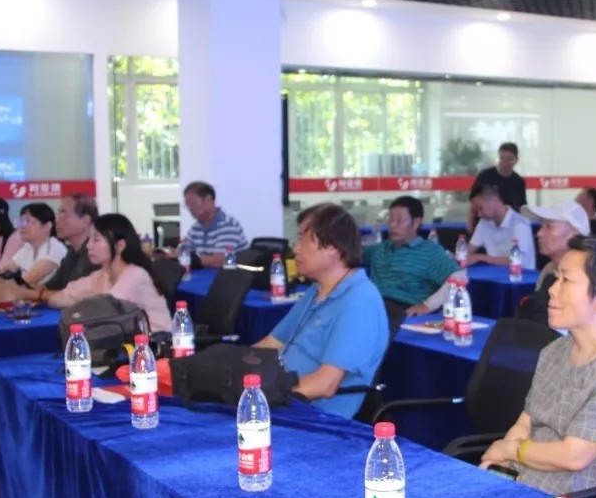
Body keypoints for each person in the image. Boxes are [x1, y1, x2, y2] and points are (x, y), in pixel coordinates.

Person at [480, 238, 596, 498]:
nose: (552, 289)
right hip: (523, 484)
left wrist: (509, 451)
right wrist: (500, 468)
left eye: (566, 280)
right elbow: (526, 420)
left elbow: (575, 456)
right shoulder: (557, 349)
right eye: (556, 278)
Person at [255, 203, 389, 419]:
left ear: (332, 247)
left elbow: (325, 384)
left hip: (312, 416)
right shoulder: (317, 290)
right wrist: (231, 371)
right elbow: (273, 343)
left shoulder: (359, 302)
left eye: (303, 240)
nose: (295, 249)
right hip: (281, 399)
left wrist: (263, 397)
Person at [39, 214, 172, 332]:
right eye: (89, 239)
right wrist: (89, 298)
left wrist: (84, 298)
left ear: (119, 246)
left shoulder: (135, 275)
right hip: (126, 342)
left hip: (155, 345)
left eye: (96, 240)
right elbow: (55, 299)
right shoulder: (103, 274)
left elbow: (104, 311)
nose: (88, 246)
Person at [363, 196, 462, 315]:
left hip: (403, 309)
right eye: (390, 219)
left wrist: (428, 305)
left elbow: (460, 276)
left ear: (416, 223)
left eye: (399, 220)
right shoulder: (379, 249)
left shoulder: (429, 251)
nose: (392, 225)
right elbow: (349, 253)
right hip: (372, 305)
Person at [516, 201, 591, 325]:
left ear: (574, 233)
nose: (539, 233)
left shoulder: (589, 273)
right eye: (541, 226)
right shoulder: (549, 269)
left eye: (549, 227)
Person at [468, 183, 536, 270]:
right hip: (495, 275)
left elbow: (518, 260)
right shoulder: (484, 223)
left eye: (480, 208)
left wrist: (481, 258)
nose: (479, 214)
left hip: (521, 276)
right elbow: (470, 249)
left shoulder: (520, 224)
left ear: (493, 200)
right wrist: (459, 256)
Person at [0, 203, 67, 287]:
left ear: (47, 226)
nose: (21, 226)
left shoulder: (54, 249)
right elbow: (3, 270)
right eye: (20, 221)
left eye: (27, 221)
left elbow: (26, 282)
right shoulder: (28, 247)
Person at [181, 180, 248, 266]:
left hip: (229, 273)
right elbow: (184, 250)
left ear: (208, 200)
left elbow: (220, 261)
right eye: (187, 204)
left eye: (192, 203)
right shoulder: (196, 227)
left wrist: (187, 259)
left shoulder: (228, 225)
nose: (190, 208)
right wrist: (171, 254)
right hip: (206, 272)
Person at [466, 142, 526, 233]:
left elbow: (521, 208)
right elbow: (473, 205)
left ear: (516, 160)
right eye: (502, 158)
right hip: (484, 227)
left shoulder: (518, 182)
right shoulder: (485, 176)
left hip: (508, 230)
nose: (505, 163)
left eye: (509, 159)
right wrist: (470, 226)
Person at [45, 193, 100, 290]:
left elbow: (74, 295)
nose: (57, 220)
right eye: (58, 214)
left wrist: (29, 293)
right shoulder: (71, 253)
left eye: (64, 214)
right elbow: (51, 287)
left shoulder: (95, 254)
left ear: (85, 220)